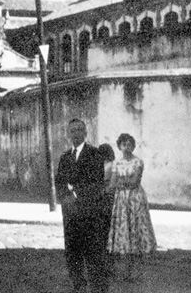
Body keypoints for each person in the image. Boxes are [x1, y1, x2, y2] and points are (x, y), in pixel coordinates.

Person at [55, 119, 108, 293]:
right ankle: (78, 286)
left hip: (89, 213)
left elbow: (96, 182)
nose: (76, 134)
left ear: (85, 133)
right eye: (72, 131)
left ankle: (97, 287)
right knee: (72, 252)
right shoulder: (65, 158)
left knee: (92, 253)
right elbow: (60, 182)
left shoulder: (94, 154)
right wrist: (65, 197)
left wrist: (75, 193)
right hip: (70, 213)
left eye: (79, 130)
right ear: (68, 134)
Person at [107, 133, 156, 281]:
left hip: (135, 199)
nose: (126, 147)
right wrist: (123, 181)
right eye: (124, 144)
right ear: (119, 146)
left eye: (129, 144)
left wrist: (122, 181)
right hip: (121, 200)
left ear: (133, 146)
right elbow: (113, 183)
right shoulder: (116, 163)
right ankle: (125, 271)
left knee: (136, 228)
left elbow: (135, 181)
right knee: (124, 229)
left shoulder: (138, 162)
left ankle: (137, 271)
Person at [97, 143, 116, 271]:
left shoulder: (109, 166)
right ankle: (107, 262)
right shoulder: (109, 165)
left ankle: (105, 262)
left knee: (104, 230)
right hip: (106, 199)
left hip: (106, 198)